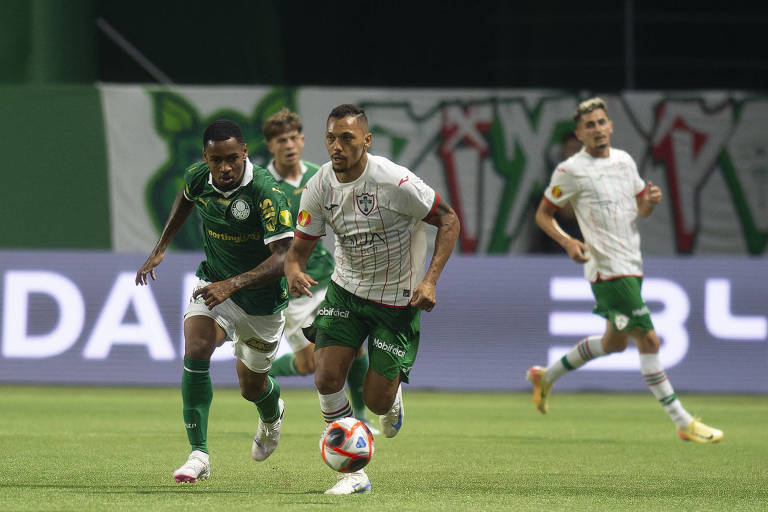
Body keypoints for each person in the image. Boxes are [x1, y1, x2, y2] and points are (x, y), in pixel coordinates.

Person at [284, 104, 460, 494]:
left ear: (366, 140)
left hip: (396, 302)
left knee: (377, 401)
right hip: (346, 291)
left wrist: (430, 281)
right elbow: (298, 251)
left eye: (347, 138)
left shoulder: (395, 182)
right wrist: (294, 270)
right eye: (331, 137)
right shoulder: (320, 186)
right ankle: (353, 473)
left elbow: (449, 220)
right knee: (326, 375)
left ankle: (392, 397)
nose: (337, 146)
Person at [527, 97, 723, 443]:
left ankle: (546, 377)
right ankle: (683, 422)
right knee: (648, 339)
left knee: (614, 344)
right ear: (580, 134)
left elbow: (639, 210)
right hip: (606, 270)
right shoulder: (571, 170)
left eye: (602, 122)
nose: (598, 129)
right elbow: (544, 215)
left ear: (611, 126)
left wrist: (649, 202)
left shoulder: (624, 161)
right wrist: (568, 242)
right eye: (590, 125)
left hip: (631, 263)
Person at [135, 119, 295, 483]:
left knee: (251, 387)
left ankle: (272, 413)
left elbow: (284, 257)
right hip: (213, 283)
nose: (224, 168)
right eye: (216, 160)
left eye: (232, 160)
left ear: (244, 154)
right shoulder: (197, 177)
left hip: (261, 303)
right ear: (206, 157)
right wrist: (159, 249)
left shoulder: (266, 193)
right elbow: (186, 199)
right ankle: (199, 454)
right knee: (196, 346)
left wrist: (233, 285)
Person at [261, 108, 377, 433]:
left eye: (293, 138)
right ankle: (264, 373)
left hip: (328, 277)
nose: (288, 145)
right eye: (280, 140)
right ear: (270, 145)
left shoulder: (321, 174)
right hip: (292, 289)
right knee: (310, 362)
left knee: (352, 347)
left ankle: (360, 417)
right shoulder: (263, 185)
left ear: (302, 140)